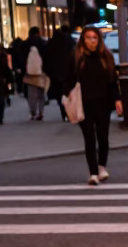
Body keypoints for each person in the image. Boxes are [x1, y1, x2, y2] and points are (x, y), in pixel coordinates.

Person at [67, 26, 121, 186]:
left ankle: (101, 166)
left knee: (103, 137)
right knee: (89, 137)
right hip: (84, 103)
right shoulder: (77, 57)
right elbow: (68, 77)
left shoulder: (106, 57)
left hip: (103, 102)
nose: (91, 41)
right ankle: (93, 173)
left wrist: (117, 99)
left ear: (99, 40)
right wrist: (68, 92)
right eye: (88, 38)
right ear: (83, 40)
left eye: (94, 38)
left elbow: (112, 80)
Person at [44, 26, 75, 121]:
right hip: (67, 71)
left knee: (59, 94)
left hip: (55, 72)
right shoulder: (69, 41)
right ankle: (68, 111)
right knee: (68, 92)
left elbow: (46, 58)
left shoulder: (51, 42)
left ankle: (64, 112)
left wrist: (48, 71)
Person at [20, 27, 49, 121]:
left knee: (31, 93)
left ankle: (33, 112)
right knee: (41, 93)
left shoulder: (24, 44)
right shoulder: (43, 43)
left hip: (29, 73)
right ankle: (41, 111)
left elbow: (20, 58)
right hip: (41, 71)